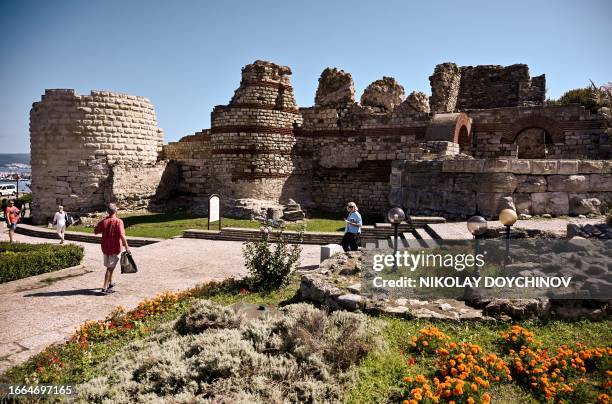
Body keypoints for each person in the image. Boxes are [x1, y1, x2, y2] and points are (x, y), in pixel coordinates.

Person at [94, 203, 130, 295]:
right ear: (116, 211)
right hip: (115, 248)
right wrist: (127, 247)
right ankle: (104, 288)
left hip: (105, 247)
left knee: (110, 266)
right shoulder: (119, 221)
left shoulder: (104, 221)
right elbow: (122, 235)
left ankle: (110, 283)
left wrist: (101, 223)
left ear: (108, 211)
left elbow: (95, 231)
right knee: (110, 268)